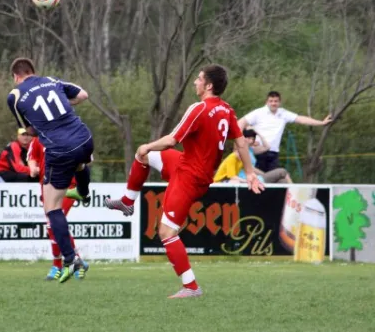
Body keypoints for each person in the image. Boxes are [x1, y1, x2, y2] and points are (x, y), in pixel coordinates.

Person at [106, 64, 263, 299]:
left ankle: (191, 287)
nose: (195, 82)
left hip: (189, 176)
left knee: (166, 231)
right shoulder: (226, 110)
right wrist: (250, 173)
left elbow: (171, 140)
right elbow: (240, 142)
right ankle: (128, 201)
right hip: (187, 164)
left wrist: (148, 143)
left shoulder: (199, 109)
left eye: (199, 79)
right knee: (144, 157)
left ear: (208, 85)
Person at [7, 57, 93, 283]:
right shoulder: (51, 80)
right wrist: (63, 107)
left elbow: (28, 130)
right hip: (84, 137)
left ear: (16, 76)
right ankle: (84, 191)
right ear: (33, 71)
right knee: (81, 161)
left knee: (51, 207)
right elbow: (83, 95)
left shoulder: (15, 96)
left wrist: (44, 122)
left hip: (59, 148)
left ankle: (70, 259)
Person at [28, 136, 87, 280]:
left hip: (68, 185)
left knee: (53, 224)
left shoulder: (71, 135)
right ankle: (77, 261)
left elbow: (86, 158)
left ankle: (57, 266)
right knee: (56, 225)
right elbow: (32, 157)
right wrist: (32, 168)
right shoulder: (38, 138)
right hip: (47, 186)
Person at [237, 91, 332, 172]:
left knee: (272, 182)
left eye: (276, 101)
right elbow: (240, 124)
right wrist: (241, 143)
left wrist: (321, 123)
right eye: (271, 101)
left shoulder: (283, 113)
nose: (273, 103)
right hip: (259, 151)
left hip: (274, 153)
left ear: (279, 102)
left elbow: (301, 119)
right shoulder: (258, 113)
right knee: (258, 181)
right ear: (266, 102)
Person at [214, 128, 292, 184]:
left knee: (282, 181)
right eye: (249, 138)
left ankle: (286, 202)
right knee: (282, 171)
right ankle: (295, 192)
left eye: (252, 138)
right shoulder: (234, 156)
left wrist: (257, 133)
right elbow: (234, 175)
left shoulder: (251, 150)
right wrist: (264, 175)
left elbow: (267, 147)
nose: (251, 140)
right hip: (245, 178)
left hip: (252, 178)